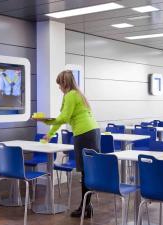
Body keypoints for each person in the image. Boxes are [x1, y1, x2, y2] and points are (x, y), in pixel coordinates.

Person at [43, 70, 100, 218]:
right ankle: (86, 206)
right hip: (92, 131)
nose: (59, 87)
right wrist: (50, 134)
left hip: (84, 133)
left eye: (59, 84)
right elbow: (62, 118)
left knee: (85, 171)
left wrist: (46, 121)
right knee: (88, 171)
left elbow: (63, 117)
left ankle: (85, 207)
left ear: (64, 83)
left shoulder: (70, 96)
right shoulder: (77, 94)